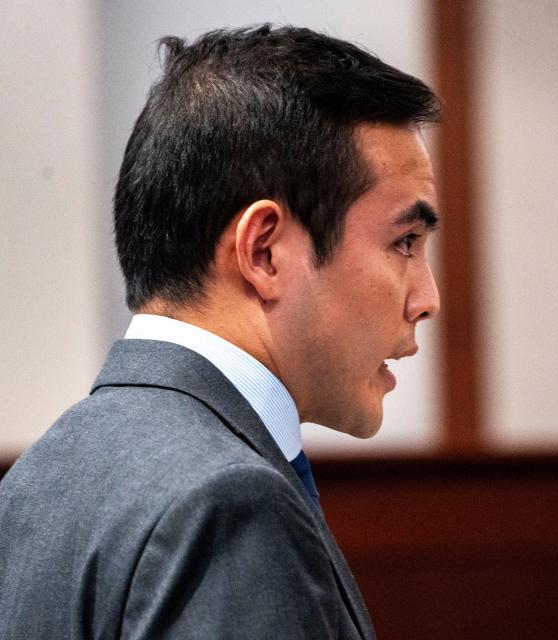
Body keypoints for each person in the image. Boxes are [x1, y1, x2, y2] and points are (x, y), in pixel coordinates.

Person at [0, 24, 440, 639]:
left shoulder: (40, 477)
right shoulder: (228, 503)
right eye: (405, 242)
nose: (427, 299)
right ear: (264, 252)